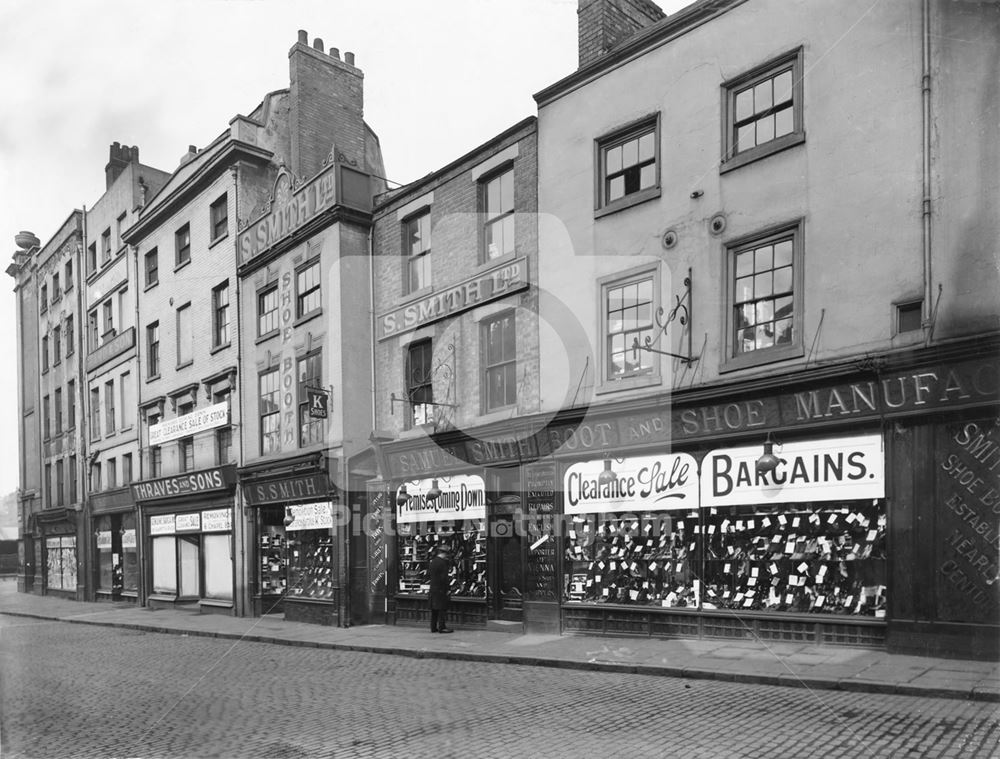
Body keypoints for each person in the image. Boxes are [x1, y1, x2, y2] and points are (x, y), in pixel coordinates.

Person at [428, 543, 454, 633]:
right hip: (441, 589)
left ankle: (433, 627)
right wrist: (448, 589)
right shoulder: (443, 563)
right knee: (442, 609)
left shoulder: (433, 562)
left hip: (433, 588)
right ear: (444, 553)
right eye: (447, 554)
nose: (447, 556)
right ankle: (442, 627)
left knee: (434, 609)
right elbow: (444, 578)